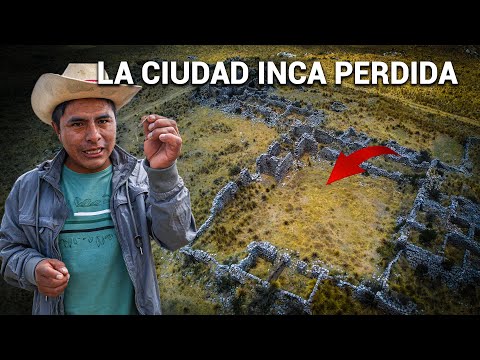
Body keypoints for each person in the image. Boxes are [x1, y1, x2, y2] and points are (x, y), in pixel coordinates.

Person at [0, 63, 197, 315]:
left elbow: (176, 238)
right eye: (78, 124)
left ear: (116, 122)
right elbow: (9, 252)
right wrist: (32, 269)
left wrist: (164, 172)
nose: (94, 136)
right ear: (57, 129)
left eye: (103, 120)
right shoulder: (29, 188)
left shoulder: (141, 178)